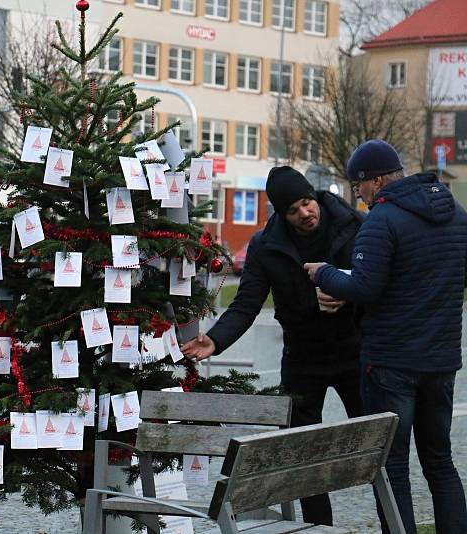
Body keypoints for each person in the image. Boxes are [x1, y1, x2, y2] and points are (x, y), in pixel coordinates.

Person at [181, 166, 365, 526]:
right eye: (294, 210)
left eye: (307, 203)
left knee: (376, 445)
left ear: (315, 197)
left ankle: (393, 521)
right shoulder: (267, 245)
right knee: (302, 456)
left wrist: (348, 296)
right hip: (302, 358)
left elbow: (375, 280)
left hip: (354, 350)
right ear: (282, 214)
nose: (305, 213)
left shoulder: (352, 224)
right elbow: (248, 302)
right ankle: (318, 529)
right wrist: (215, 339)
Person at [305, 140, 467, 534]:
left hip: (391, 363)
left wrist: (323, 272)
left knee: (391, 467)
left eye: (357, 185)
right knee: (440, 462)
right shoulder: (456, 215)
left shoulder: (383, 219)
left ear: (376, 181)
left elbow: (364, 287)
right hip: (441, 361)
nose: (356, 194)